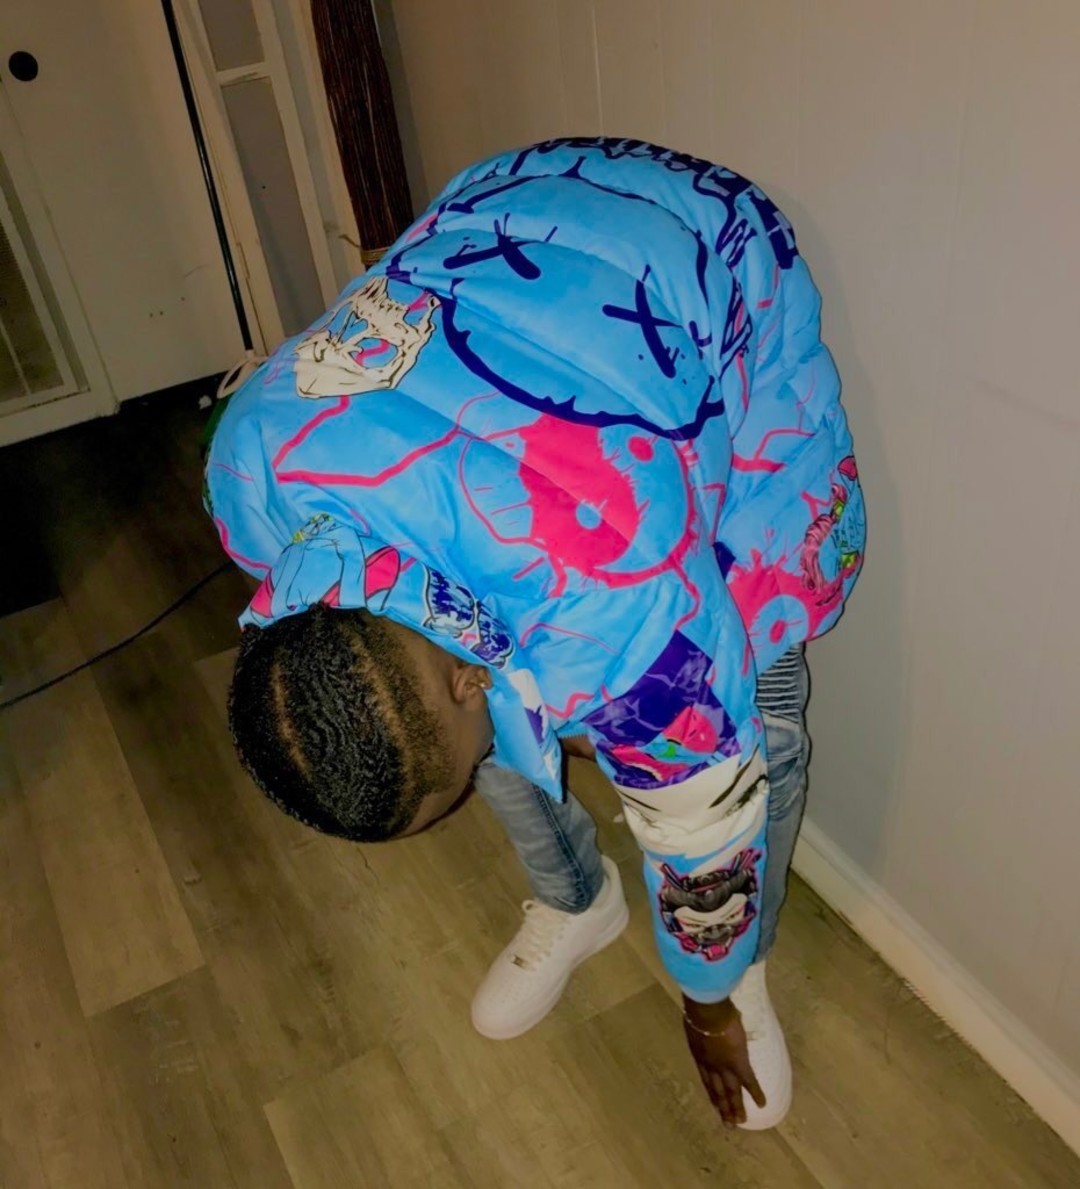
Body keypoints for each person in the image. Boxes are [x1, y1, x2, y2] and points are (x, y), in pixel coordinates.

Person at [205, 137, 865, 1130]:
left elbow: (702, 817)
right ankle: (578, 900)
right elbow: (482, 686)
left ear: (466, 678)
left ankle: (750, 968)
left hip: (718, 273)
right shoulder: (249, 477)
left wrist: (709, 1000)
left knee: (753, 714)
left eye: (452, 790)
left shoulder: (623, 603)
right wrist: (533, 713)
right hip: (514, 231)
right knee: (499, 723)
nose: (470, 790)